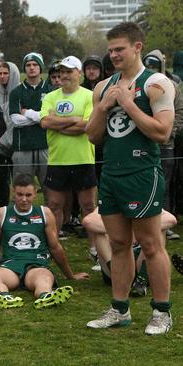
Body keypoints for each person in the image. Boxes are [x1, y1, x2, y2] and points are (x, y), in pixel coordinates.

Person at [85, 22, 176, 335]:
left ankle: (162, 312)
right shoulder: (103, 86)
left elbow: (162, 133)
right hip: (111, 172)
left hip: (142, 173)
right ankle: (119, 309)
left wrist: (127, 104)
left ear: (137, 47)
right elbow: (93, 137)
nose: (114, 55)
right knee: (119, 243)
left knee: (151, 244)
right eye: (111, 50)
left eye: (120, 49)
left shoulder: (156, 83)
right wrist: (104, 106)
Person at [0, 174, 89, 309]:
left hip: (36, 265)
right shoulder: (2, 213)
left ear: (35, 194)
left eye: (28, 195)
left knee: (45, 278)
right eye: (19, 194)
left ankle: (46, 296)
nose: (24, 199)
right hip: (11, 267)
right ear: (13, 193)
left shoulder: (44, 213)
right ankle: (5, 297)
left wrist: (70, 275)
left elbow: (55, 247)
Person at [40, 56, 97, 256]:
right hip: (57, 160)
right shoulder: (50, 97)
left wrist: (60, 123)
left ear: (78, 74)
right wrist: (74, 120)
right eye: (62, 71)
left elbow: (87, 125)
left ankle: (95, 249)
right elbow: (46, 122)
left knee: (88, 207)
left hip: (83, 158)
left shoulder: (89, 96)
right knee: (54, 205)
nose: (64, 75)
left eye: (69, 71)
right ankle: (53, 249)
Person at [82, 207, 177, 296]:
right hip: (116, 260)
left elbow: (171, 219)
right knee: (100, 235)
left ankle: (141, 281)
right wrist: (124, 231)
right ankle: (117, 273)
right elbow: (88, 221)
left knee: (159, 232)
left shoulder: (146, 202)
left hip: (141, 259)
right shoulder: (112, 202)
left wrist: (138, 230)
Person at [143, 50, 183, 241]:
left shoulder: (173, 85)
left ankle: (164, 225)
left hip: (166, 145)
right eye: (148, 66)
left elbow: (179, 112)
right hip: (145, 143)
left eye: (154, 65)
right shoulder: (141, 85)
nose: (151, 69)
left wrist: (169, 132)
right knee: (145, 183)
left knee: (164, 185)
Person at [9, 52, 53, 188]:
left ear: (40, 67)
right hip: (23, 148)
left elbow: (52, 118)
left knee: (50, 190)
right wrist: (41, 117)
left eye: (35, 64)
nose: (31, 67)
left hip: (47, 146)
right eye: (28, 65)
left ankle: (49, 211)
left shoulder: (51, 91)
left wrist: (27, 112)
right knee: (22, 189)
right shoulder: (16, 92)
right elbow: (16, 120)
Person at [0, 62, 21, 209]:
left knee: (19, 183)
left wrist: (6, 139)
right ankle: (2, 213)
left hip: (18, 146)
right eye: (0, 74)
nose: (2, 76)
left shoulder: (20, 92)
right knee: (0, 185)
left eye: (6, 73)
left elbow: (17, 120)